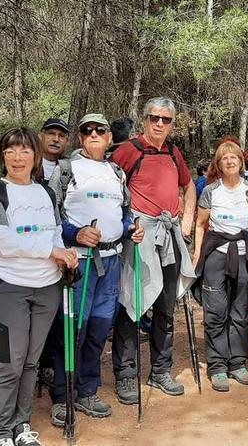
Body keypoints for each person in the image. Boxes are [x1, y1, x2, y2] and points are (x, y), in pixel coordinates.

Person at [0, 127, 78, 446]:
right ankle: (0, 432)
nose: (17, 157)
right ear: (2, 156)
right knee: (10, 363)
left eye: (23, 151)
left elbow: (55, 232)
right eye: (9, 151)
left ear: (35, 155)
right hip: (6, 286)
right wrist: (50, 251)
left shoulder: (46, 192)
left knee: (32, 362)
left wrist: (65, 254)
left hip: (46, 286)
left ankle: (21, 426)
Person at [47, 114, 144, 422]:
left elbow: (124, 212)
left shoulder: (116, 171)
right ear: (79, 137)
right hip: (79, 262)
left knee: (100, 328)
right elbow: (49, 216)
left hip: (112, 260)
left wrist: (132, 229)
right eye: (86, 130)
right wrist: (75, 234)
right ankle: (63, 395)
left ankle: (88, 391)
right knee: (74, 328)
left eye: (99, 130)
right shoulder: (66, 169)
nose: (93, 134)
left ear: (107, 136)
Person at [109, 96, 197, 404]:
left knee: (165, 306)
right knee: (132, 305)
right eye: (154, 118)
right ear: (144, 119)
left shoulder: (173, 152)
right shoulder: (127, 151)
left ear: (172, 124)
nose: (159, 124)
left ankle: (160, 370)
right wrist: (125, 223)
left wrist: (186, 221)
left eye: (166, 120)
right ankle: (125, 374)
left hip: (169, 234)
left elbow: (189, 186)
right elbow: (110, 188)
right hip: (139, 235)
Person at [192, 139, 248, 391]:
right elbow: (201, 225)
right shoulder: (211, 191)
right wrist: (196, 255)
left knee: (240, 309)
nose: (230, 160)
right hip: (216, 254)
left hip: (244, 255)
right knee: (215, 310)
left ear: (241, 162)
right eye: (224, 158)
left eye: (234, 156)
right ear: (219, 164)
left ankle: (237, 362)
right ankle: (217, 366)